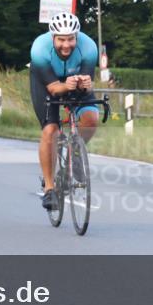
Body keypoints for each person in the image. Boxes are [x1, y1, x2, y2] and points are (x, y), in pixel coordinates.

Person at [29, 12, 100, 210]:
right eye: (61, 40)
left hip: (73, 82)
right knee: (51, 130)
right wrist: (65, 85)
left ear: (77, 36)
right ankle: (50, 189)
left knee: (91, 118)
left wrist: (84, 84)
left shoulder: (89, 48)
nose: (66, 45)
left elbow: (86, 86)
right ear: (53, 37)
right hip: (46, 83)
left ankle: (74, 154)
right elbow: (53, 89)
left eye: (70, 39)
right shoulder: (39, 49)